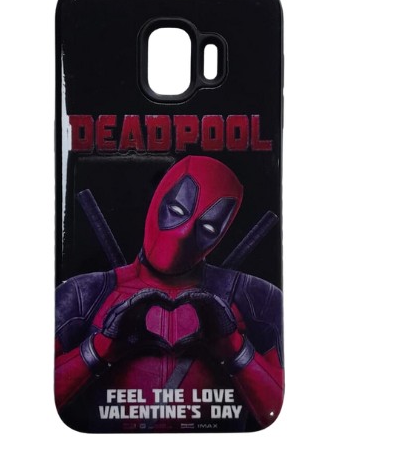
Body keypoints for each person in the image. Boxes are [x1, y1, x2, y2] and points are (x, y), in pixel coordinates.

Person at [55, 156, 283, 432]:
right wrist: (100, 349)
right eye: (176, 210)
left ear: (222, 234)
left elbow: (275, 411)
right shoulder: (83, 294)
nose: (184, 232)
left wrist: (233, 347)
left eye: (208, 227)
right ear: (157, 199)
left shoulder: (255, 298)